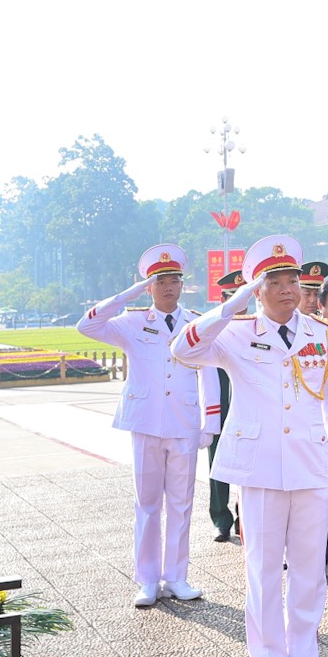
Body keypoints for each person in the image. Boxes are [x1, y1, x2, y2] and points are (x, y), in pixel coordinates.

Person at [172, 234, 328, 657]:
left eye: (294, 280)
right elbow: (183, 351)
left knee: (310, 570)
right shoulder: (234, 333)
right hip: (260, 468)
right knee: (264, 568)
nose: (289, 290)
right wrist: (231, 307)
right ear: (257, 287)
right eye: (276, 281)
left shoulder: (324, 334)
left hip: (312, 463)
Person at [80, 244, 208, 607]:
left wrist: (209, 421)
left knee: (182, 503)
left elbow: (211, 374)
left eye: (174, 280)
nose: (169, 287)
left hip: (184, 422)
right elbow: (87, 324)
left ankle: (177, 577)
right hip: (147, 421)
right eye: (160, 281)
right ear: (149, 287)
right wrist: (129, 294)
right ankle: (148, 579)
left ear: (182, 285)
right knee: (147, 503)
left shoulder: (195, 323)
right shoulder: (134, 322)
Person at [203, 269, 249, 543]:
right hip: (220, 409)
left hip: (247, 411)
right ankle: (221, 519)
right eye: (234, 298)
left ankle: (245, 518)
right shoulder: (214, 329)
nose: (240, 306)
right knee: (217, 468)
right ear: (223, 298)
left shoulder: (257, 326)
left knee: (249, 469)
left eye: (244, 299)